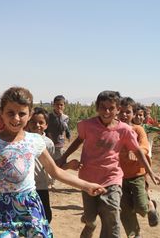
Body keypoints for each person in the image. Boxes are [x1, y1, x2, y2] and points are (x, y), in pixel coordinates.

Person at [0, 87, 106, 237]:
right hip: (2, 207)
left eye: (22, 113)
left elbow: (55, 171)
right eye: (10, 113)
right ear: (1, 113)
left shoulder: (34, 141)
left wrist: (86, 185)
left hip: (29, 203)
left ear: (29, 115)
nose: (16, 118)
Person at [59, 90, 160, 238]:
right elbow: (79, 140)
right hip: (88, 178)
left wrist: (150, 172)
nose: (107, 111)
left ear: (117, 109)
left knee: (112, 217)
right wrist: (64, 157)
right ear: (97, 108)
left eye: (111, 108)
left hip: (112, 178)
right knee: (91, 219)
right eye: (103, 107)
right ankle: (89, 225)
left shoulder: (124, 130)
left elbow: (138, 151)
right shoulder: (87, 125)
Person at [118, 97, 158, 237]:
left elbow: (145, 146)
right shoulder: (113, 130)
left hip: (138, 175)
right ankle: (134, 234)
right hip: (118, 178)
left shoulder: (138, 129)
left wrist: (136, 151)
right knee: (124, 208)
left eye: (127, 112)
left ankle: (150, 205)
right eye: (121, 112)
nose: (124, 115)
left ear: (133, 114)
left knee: (141, 206)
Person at [26, 107, 55, 223]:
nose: (37, 125)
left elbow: (50, 164)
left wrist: (50, 181)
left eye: (41, 122)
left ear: (46, 125)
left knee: (46, 216)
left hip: (41, 185)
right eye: (33, 122)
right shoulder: (23, 139)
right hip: (26, 186)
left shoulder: (48, 143)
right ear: (28, 123)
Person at [45, 95, 71, 165]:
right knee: (49, 164)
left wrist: (60, 117)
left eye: (61, 105)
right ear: (53, 105)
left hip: (59, 145)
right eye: (57, 104)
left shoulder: (65, 117)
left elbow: (63, 128)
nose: (59, 107)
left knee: (60, 164)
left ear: (64, 106)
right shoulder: (48, 116)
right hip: (49, 144)